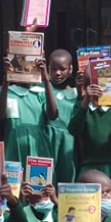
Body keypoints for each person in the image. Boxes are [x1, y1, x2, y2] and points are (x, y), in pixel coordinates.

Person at [68, 81, 111, 215]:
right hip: (89, 168)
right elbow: (74, 130)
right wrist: (85, 102)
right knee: (87, 211)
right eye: (89, 82)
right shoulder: (82, 105)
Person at [0, 56, 57, 168]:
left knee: (39, 181)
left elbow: (52, 115)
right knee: (14, 183)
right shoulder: (6, 91)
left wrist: (46, 80)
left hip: (38, 146)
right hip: (13, 145)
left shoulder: (41, 92)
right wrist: (6, 80)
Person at [45, 49, 79, 184]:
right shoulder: (43, 90)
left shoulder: (76, 93)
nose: (57, 73)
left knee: (67, 177)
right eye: (53, 69)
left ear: (70, 69)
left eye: (62, 69)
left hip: (68, 144)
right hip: (48, 139)